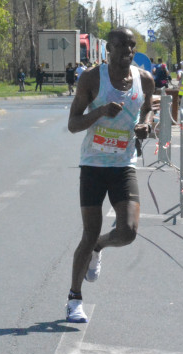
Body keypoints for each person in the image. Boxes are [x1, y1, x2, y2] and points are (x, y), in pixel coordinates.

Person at [64, 27, 155, 323]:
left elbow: (148, 112)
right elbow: (74, 124)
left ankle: (100, 247)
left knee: (128, 231)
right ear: (108, 50)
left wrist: (146, 124)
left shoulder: (145, 80)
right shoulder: (92, 78)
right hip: (93, 164)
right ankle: (74, 299)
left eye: (132, 45)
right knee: (88, 232)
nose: (128, 50)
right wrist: (100, 111)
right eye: (121, 45)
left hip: (123, 163)